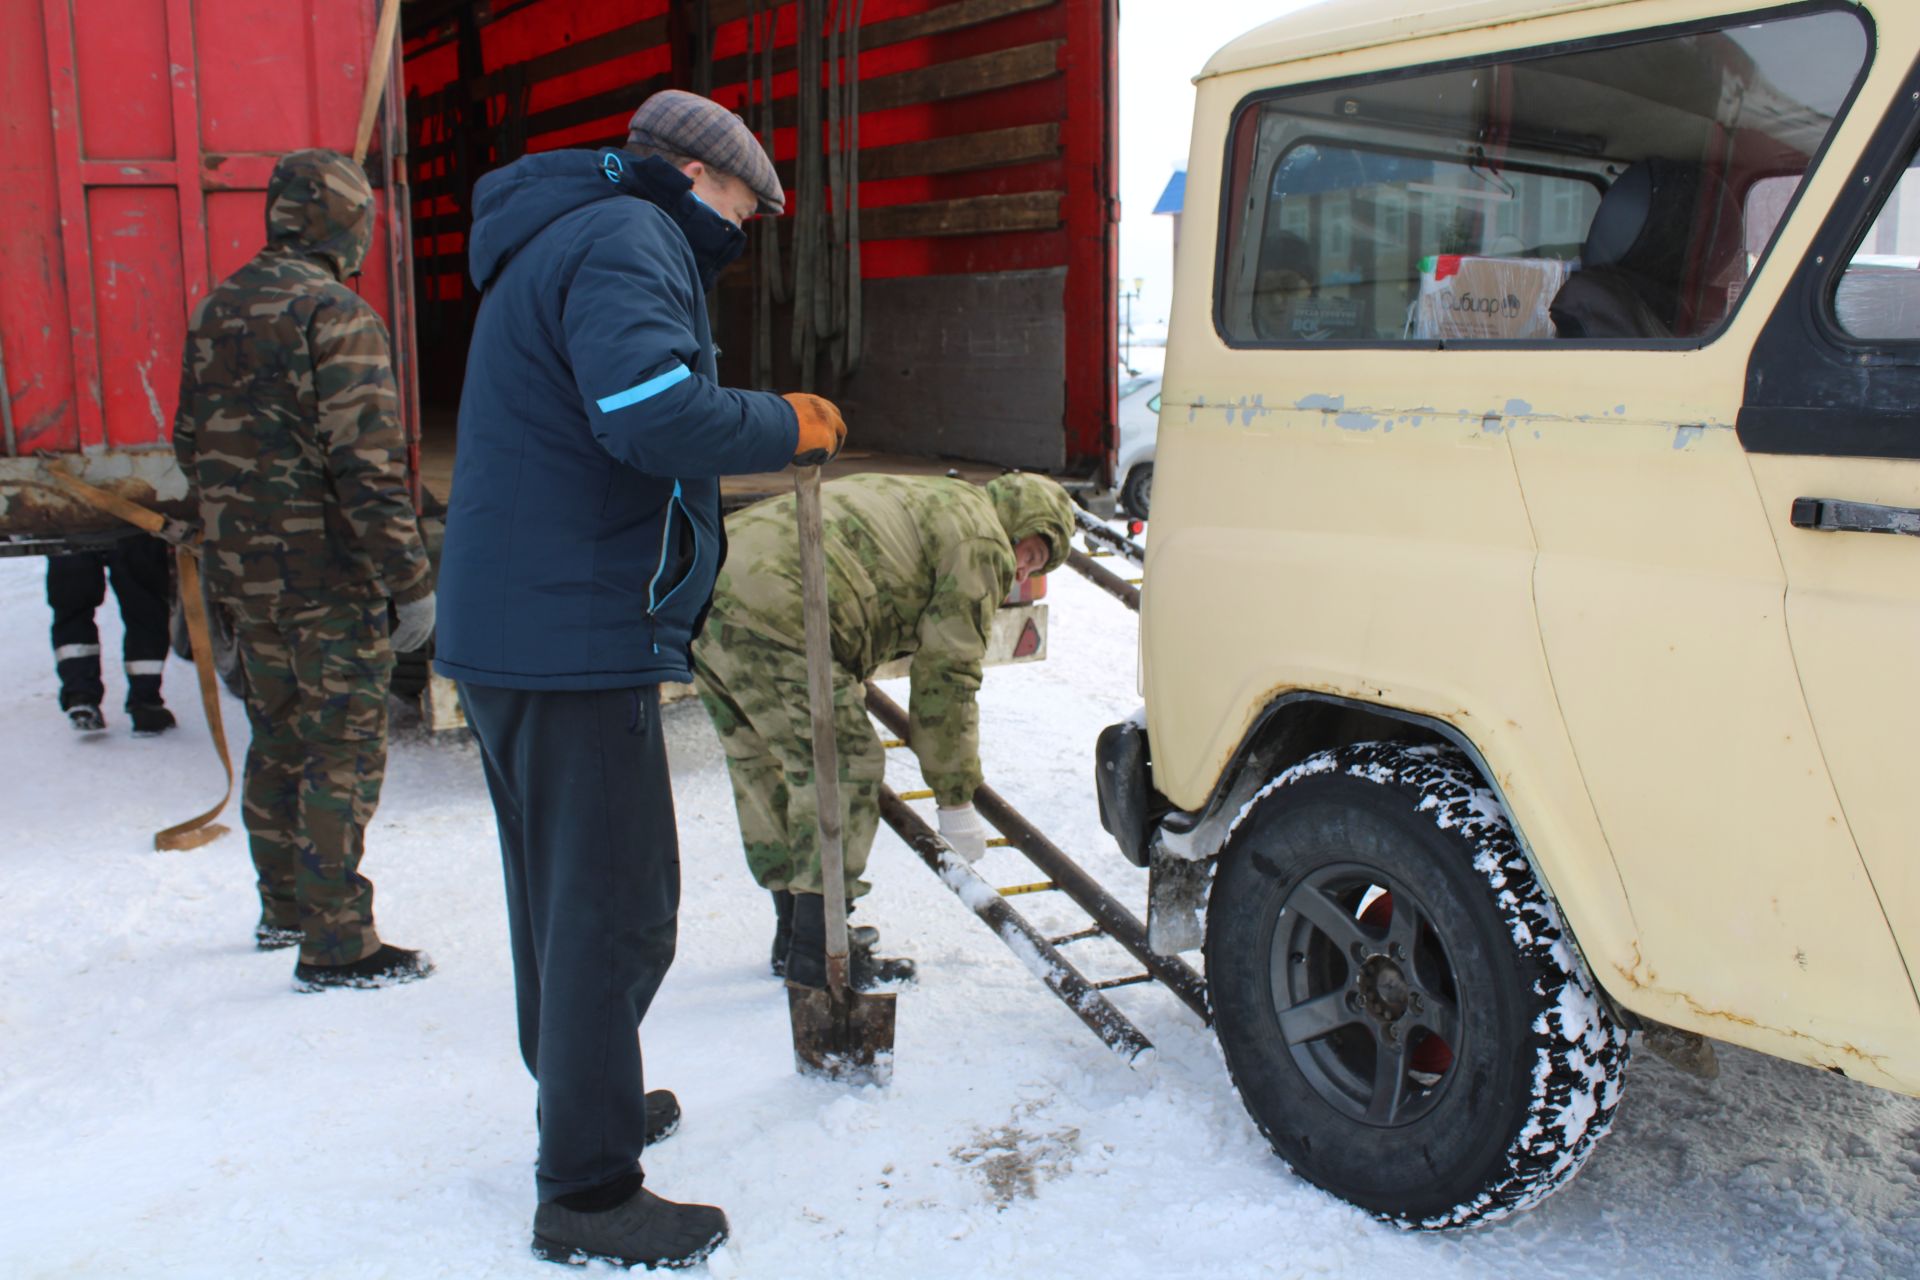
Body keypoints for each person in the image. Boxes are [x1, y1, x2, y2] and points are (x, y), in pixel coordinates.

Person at [433, 89, 846, 1271]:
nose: (744, 229)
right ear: (693, 176)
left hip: (522, 626)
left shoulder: (573, 228)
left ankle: (583, 1092)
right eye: (743, 205)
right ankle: (590, 1188)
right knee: (619, 910)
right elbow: (646, 410)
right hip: (565, 635)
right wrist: (787, 422)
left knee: (560, 899)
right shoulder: (627, 235)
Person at [172, 148, 436, 992]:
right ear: (346, 224)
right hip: (327, 578)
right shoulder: (337, 313)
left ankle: (282, 907)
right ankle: (338, 941)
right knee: (344, 747)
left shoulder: (219, 306)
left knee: (279, 736)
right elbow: (367, 466)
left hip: (241, 576)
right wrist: (410, 580)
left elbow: (188, 440)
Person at [691, 472, 1076, 989]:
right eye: (1032, 550)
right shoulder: (984, 540)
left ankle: (796, 933)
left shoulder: (940, 497)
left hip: (703, 584)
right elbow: (948, 678)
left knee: (760, 757)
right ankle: (817, 955)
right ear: (1021, 521)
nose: (1023, 568)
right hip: (782, 601)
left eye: (1037, 566)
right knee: (842, 765)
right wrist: (955, 799)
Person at [46, 533, 176, 734]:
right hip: (135, 521)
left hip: (68, 523)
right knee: (145, 611)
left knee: (73, 609)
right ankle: (146, 705)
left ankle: (81, 697)